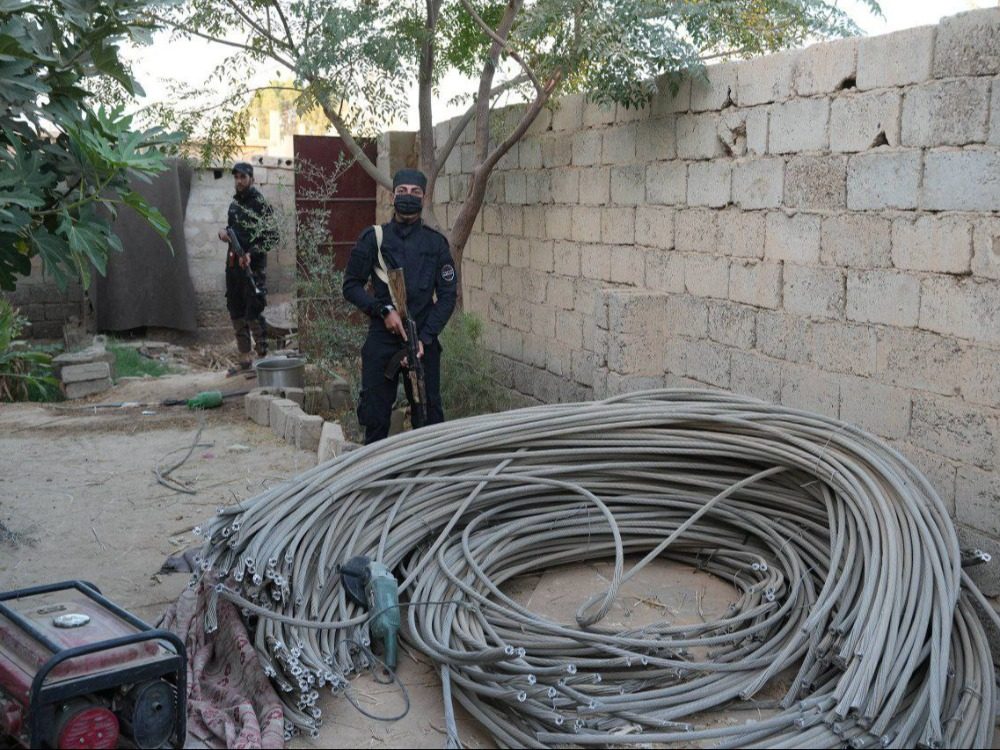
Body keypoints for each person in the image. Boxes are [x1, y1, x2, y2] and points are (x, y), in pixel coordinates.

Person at [343, 168, 458, 444]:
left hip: (422, 340)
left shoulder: (436, 244)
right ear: (392, 196)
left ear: (424, 198)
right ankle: (377, 468)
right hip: (383, 338)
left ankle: (427, 468)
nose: (408, 196)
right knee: (375, 416)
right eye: (402, 191)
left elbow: (447, 296)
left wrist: (425, 338)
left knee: (428, 420)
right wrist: (382, 310)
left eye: (415, 192)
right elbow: (351, 286)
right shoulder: (374, 239)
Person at [218, 162, 277, 375]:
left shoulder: (260, 205)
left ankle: (263, 359)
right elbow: (231, 230)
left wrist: (252, 253)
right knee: (236, 311)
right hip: (233, 266)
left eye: (243, 177)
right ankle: (244, 360)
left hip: (253, 268)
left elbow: (272, 237)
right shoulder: (234, 205)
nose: (239, 181)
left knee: (253, 310)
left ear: (251, 178)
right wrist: (224, 234)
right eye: (236, 177)